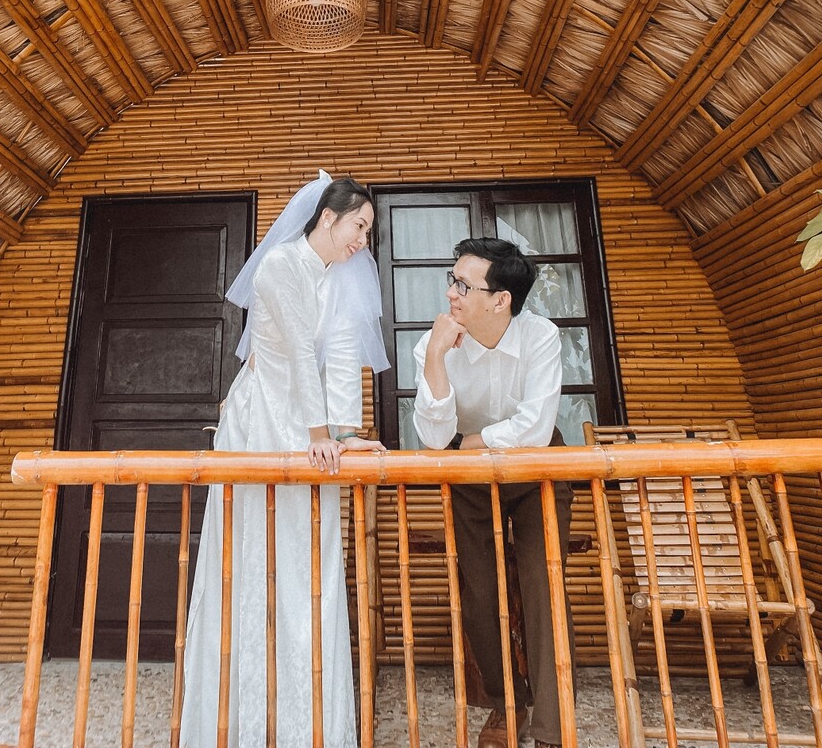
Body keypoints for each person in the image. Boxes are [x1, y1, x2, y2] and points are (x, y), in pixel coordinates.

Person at [180, 173, 389, 748]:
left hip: (308, 422)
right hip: (262, 420)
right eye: (359, 227)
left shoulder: (341, 277)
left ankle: (305, 723)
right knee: (248, 555)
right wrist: (319, 434)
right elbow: (298, 347)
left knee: (306, 559)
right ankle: (238, 720)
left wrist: (345, 435)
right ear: (328, 218)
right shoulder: (279, 265)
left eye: (367, 232)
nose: (363, 241)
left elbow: (341, 358)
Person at [411, 237, 574, 748]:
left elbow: (535, 427)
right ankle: (509, 703)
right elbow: (434, 437)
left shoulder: (540, 336)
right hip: (469, 477)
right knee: (479, 593)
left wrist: (471, 441)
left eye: (463, 285)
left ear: (501, 299)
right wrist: (435, 357)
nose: (451, 293)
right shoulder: (433, 343)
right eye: (452, 280)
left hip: (537, 468)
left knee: (543, 585)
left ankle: (552, 725)